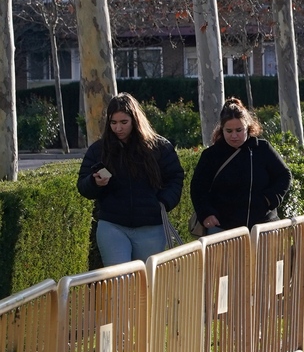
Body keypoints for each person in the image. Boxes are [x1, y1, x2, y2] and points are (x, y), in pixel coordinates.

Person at [77, 93, 185, 266]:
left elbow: (175, 177)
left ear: (135, 120)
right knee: (119, 282)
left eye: (123, 122)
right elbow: (82, 184)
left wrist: (163, 202)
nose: (118, 128)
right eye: (113, 123)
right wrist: (94, 182)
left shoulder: (160, 147)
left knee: (148, 284)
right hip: (113, 226)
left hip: (151, 226)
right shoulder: (99, 150)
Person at [191, 97, 292, 234]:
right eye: (229, 131)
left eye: (239, 130)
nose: (234, 136)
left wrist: (270, 199)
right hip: (222, 229)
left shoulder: (263, 149)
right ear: (222, 130)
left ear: (248, 128)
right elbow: (198, 188)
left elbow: (284, 175)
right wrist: (206, 213)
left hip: (263, 227)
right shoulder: (211, 155)